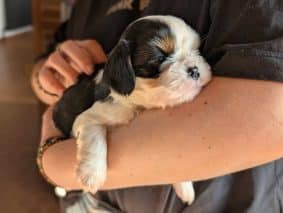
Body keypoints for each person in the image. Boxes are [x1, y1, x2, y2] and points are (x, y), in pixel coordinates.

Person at [31, 0, 283, 212]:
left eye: (197, 51)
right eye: (161, 59)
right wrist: (46, 76)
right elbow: (49, 55)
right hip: (83, 203)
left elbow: (271, 118)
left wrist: (54, 163)